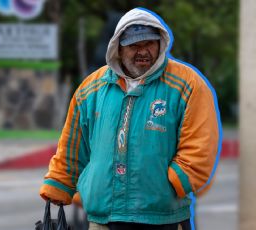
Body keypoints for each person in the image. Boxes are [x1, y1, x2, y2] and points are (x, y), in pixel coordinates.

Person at [39, 7, 220, 230]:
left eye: (149, 44)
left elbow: (202, 144)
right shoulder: (91, 89)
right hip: (103, 217)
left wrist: (174, 182)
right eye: (134, 45)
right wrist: (58, 185)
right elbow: (73, 146)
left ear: (160, 43)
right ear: (118, 47)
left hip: (162, 217)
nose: (143, 51)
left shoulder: (188, 84)